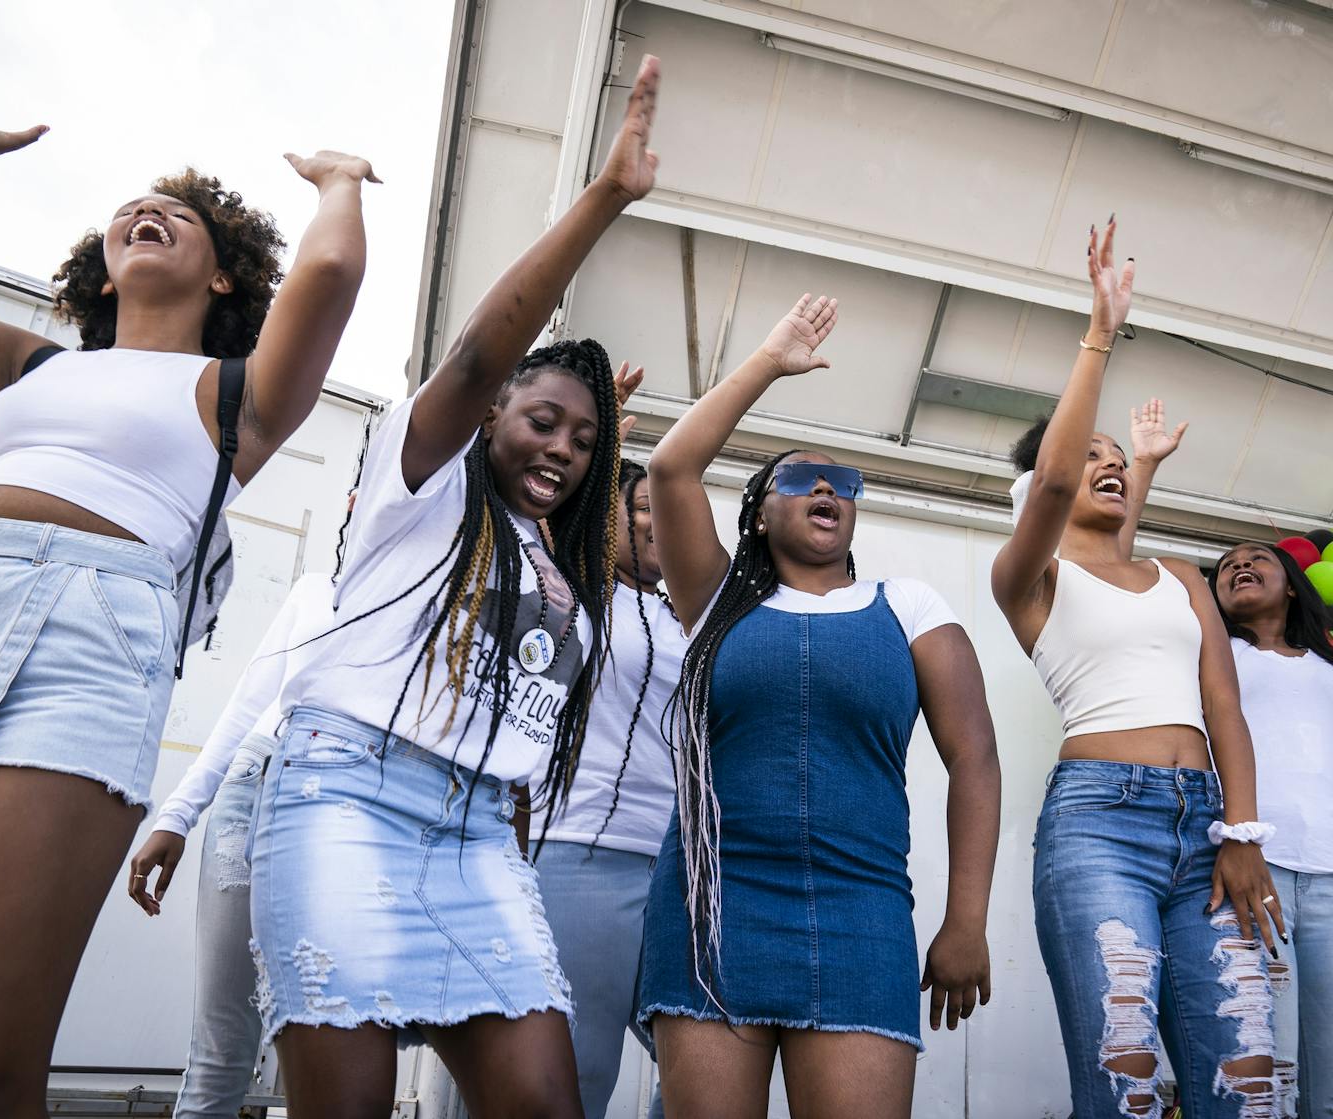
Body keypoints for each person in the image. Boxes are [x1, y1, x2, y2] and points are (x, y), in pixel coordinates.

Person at [0, 122, 376, 1117]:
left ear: (222, 281)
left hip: (91, 643)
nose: (148, 212)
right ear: (101, 268)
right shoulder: (33, 367)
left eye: (185, 216)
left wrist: (336, 180)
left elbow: (332, 268)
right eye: (132, 207)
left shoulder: (238, 394)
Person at [244, 55, 660, 1119]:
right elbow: (480, 353)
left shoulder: (561, 564)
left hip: (480, 838)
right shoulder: (419, 488)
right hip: (346, 797)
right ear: (487, 419)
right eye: (540, 421)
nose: (563, 448)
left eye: (583, 437)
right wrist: (604, 198)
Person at [638, 293, 1002, 1119]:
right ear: (760, 513)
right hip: (715, 903)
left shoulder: (909, 606)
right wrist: (769, 361)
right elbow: (669, 469)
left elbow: (974, 758)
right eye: (798, 478)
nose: (826, 486)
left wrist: (966, 919)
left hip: (862, 910)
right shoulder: (717, 593)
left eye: (844, 480)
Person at [990, 217, 1282, 1118]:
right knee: (1126, 1084)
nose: (1108, 466)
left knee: (1251, 1083)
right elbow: (1047, 490)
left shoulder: (1181, 578)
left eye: (1118, 461)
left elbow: (1224, 712)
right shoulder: (1028, 578)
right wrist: (1100, 334)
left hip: (1207, 830)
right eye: (1090, 457)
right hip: (1098, 824)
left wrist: (1240, 834)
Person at [125, 489, 360, 1119]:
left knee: (335, 1040)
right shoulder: (314, 591)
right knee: (223, 1044)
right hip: (252, 789)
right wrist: (177, 815)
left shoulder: (440, 598)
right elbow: (248, 704)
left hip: (347, 813)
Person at [530, 457, 679, 1119]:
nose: (656, 521)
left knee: (706, 1068)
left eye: (668, 508)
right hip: (580, 851)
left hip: (682, 871)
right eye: (640, 505)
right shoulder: (573, 588)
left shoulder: (693, 612)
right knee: (574, 1078)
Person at [1209, 541, 1333, 1118]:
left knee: (1328, 1072)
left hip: (1331, 876)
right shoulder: (1213, 657)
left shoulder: (1327, 667)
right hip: (1256, 866)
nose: (1239, 565)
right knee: (1267, 1064)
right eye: (1228, 564)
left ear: (1291, 584)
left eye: (1257, 557)